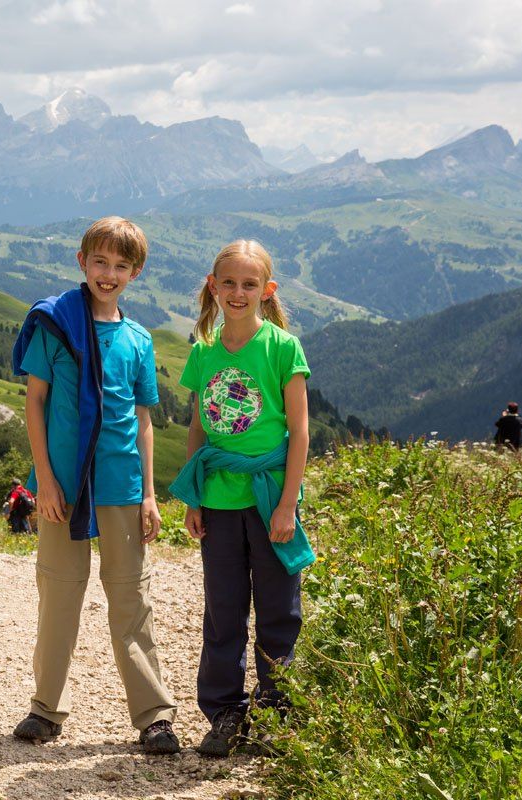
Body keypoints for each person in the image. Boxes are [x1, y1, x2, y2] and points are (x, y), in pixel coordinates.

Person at [10, 216, 180, 754]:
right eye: (100, 262)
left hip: (122, 485)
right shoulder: (55, 325)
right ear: (81, 262)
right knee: (59, 593)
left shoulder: (138, 340)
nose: (109, 274)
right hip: (63, 486)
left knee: (131, 597)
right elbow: (35, 403)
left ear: (135, 272)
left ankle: (154, 716)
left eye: (121, 266)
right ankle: (45, 709)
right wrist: (45, 482)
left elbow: (144, 421)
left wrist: (149, 494)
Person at [168, 240, 315, 758]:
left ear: (267, 290)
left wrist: (287, 505)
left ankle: (274, 714)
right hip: (220, 499)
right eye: (228, 283)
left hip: (270, 495)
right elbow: (197, 428)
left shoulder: (282, 348)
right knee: (223, 611)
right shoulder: (203, 350)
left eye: (249, 284)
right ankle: (225, 713)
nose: (237, 292)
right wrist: (194, 499)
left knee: (278, 610)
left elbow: (300, 433)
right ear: (213, 286)